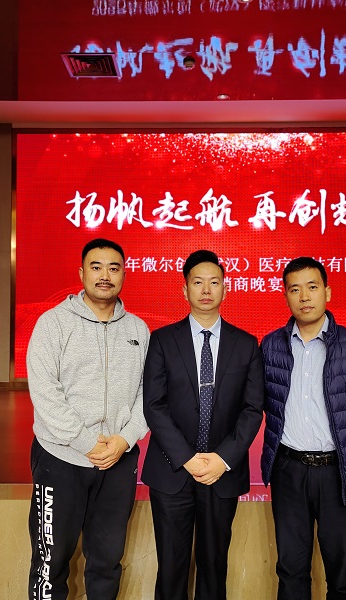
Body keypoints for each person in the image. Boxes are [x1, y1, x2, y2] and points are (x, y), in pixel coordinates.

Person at [26, 238, 150, 600]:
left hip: (118, 461)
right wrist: (86, 442)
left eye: (114, 268)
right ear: (82, 273)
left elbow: (149, 395)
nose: (105, 275)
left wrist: (125, 439)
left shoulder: (138, 330)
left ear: (124, 275)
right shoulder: (53, 324)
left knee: (107, 562)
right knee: (50, 562)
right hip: (61, 459)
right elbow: (45, 392)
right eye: (96, 267)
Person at [260, 257, 346, 600]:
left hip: (339, 473)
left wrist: (345, 443)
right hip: (288, 471)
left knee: (342, 577)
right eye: (295, 289)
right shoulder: (271, 346)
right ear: (285, 296)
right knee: (291, 572)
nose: (304, 297)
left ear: (327, 292)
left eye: (312, 287)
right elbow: (263, 403)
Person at [142, 249, 264, 600]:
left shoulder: (246, 344)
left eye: (214, 282)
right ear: (185, 290)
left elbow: (252, 409)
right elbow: (154, 404)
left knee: (214, 569)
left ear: (226, 288)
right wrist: (187, 458)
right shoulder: (163, 340)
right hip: (172, 472)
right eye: (198, 282)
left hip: (221, 474)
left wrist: (222, 459)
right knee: (171, 570)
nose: (206, 289)